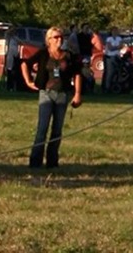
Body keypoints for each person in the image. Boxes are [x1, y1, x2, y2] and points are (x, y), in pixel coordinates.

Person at [21, 26, 84, 169]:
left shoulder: (68, 55)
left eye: (61, 37)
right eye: (56, 37)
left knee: (57, 130)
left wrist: (77, 94)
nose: (59, 40)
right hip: (46, 93)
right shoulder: (43, 53)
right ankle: (35, 162)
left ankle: (52, 161)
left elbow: (77, 73)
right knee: (42, 128)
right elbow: (25, 64)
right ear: (49, 40)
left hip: (63, 94)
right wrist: (29, 81)